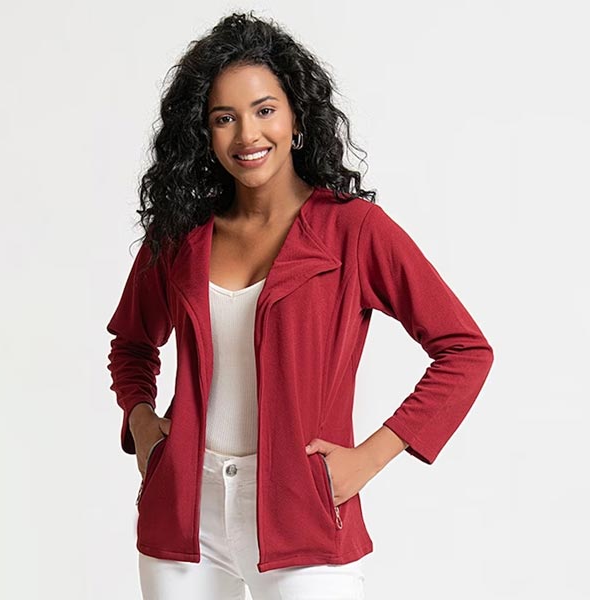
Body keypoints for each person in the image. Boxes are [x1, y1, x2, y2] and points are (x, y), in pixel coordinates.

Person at [105, 10, 494, 600]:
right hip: (183, 518)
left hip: (303, 517)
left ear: (296, 117)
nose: (247, 135)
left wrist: (371, 456)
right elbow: (132, 343)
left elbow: (465, 351)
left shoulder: (353, 231)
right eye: (224, 118)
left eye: (264, 110)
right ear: (203, 133)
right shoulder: (181, 236)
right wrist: (140, 420)